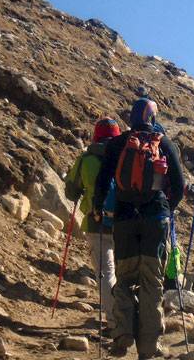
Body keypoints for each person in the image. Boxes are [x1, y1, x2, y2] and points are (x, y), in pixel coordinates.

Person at [94, 97, 185, 359]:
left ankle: (122, 333)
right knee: (151, 283)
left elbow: (103, 182)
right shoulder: (164, 143)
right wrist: (167, 207)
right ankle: (147, 349)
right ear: (153, 117)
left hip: (123, 220)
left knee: (124, 279)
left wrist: (98, 208)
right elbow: (178, 186)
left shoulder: (117, 144)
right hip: (155, 220)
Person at [64, 117, 121, 335]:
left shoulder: (85, 159)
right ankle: (129, 318)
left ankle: (113, 322)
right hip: (125, 222)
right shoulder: (124, 157)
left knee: (106, 272)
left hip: (95, 222)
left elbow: (70, 192)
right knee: (124, 271)